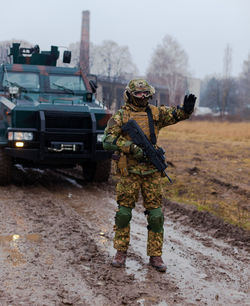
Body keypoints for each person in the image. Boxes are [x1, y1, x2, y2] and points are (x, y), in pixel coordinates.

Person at [103, 79, 196, 272]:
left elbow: (174, 115)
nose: (142, 97)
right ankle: (120, 253)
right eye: (138, 94)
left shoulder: (155, 113)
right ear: (130, 94)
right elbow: (107, 141)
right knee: (123, 214)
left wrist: (186, 110)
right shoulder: (121, 116)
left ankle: (155, 256)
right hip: (129, 172)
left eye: (145, 93)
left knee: (155, 216)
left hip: (152, 173)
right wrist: (130, 148)